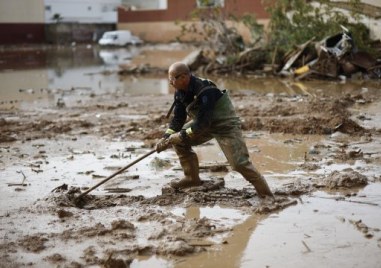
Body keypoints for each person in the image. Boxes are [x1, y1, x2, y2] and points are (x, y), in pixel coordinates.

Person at [156, 62, 273, 198]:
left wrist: (181, 135)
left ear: (183, 77)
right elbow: (178, 118)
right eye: (169, 79)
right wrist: (166, 137)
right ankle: (191, 179)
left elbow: (203, 124)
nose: (170, 82)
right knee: (178, 141)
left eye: (172, 79)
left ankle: (267, 196)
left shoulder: (205, 89)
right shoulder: (179, 91)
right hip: (203, 124)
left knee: (239, 164)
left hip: (225, 126)